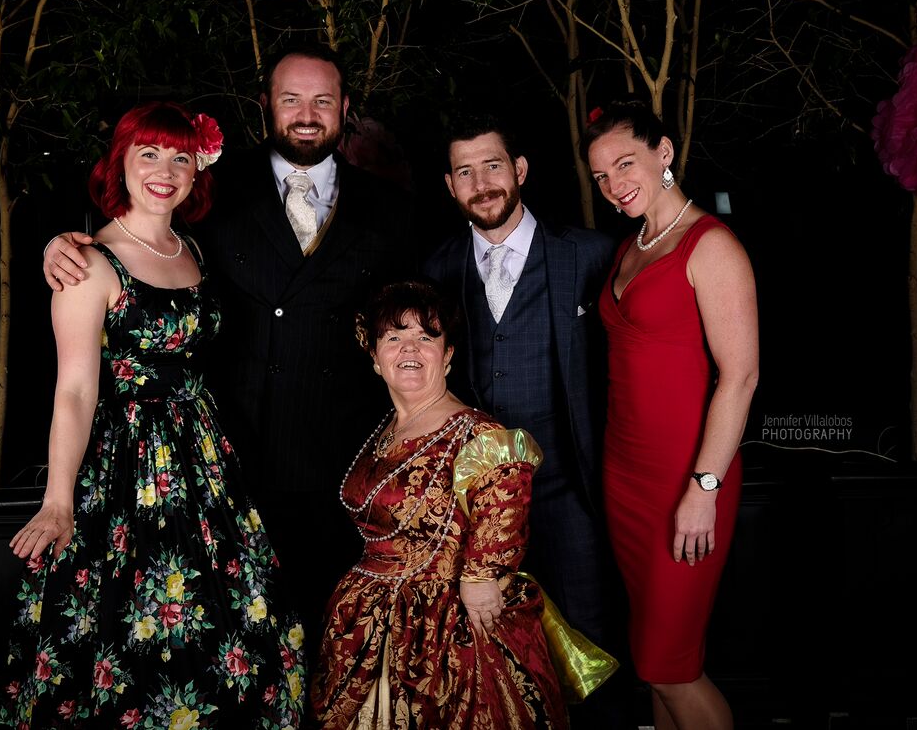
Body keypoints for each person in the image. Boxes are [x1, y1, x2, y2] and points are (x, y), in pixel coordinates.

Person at [41, 43, 417, 653]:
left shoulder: (391, 207)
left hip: (341, 457)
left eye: (322, 101)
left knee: (329, 641)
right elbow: (134, 229)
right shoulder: (215, 191)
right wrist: (59, 244)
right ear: (264, 104)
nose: (306, 114)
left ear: (345, 108)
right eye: (291, 98)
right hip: (235, 456)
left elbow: (418, 322)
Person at [1, 101, 307, 728]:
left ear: (197, 172)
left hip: (203, 459)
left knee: (236, 623)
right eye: (149, 155)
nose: (164, 172)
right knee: (133, 627)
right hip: (127, 466)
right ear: (121, 164)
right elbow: (74, 390)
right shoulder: (89, 263)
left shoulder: (192, 247)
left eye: (180, 158)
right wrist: (58, 501)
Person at [422, 110, 627, 724]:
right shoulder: (437, 269)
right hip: (478, 509)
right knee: (497, 664)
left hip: (572, 492)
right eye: (465, 172)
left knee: (594, 653)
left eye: (493, 166)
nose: (481, 183)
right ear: (450, 186)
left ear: (520, 170)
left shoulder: (588, 255)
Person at [310, 279, 569, 729]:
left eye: (426, 337)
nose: (410, 348)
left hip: (444, 630)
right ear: (375, 357)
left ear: (447, 355)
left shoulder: (480, 437)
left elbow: (501, 521)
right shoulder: (382, 431)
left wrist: (480, 579)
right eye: (394, 337)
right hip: (365, 621)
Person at [583, 99, 759, 730]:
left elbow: (741, 377)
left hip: (686, 478)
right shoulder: (631, 245)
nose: (614, 184)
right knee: (653, 657)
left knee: (670, 667)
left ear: (664, 152)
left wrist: (704, 487)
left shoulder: (712, 246)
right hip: (625, 478)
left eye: (625, 164)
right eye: (601, 176)